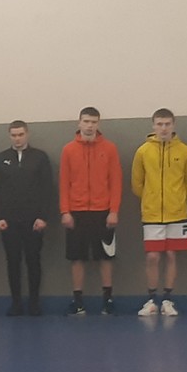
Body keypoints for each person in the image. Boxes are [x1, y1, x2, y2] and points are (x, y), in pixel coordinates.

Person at [131, 108, 187, 316]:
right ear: (153, 126)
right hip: (152, 213)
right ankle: (151, 299)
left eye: (167, 124)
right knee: (153, 256)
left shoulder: (185, 151)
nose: (164, 128)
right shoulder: (143, 151)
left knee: (171, 254)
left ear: (173, 125)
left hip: (177, 213)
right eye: (160, 124)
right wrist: (150, 199)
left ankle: (168, 299)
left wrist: (177, 199)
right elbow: (137, 183)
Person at [58, 107, 122, 315]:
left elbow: (116, 182)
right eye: (86, 121)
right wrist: (65, 211)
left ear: (98, 124)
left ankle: (108, 300)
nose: (89, 125)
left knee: (105, 257)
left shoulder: (110, 148)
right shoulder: (68, 150)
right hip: (76, 212)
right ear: (79, 123)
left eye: (93, 122)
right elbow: (64, 183)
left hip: (103, 211)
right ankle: (78, 301)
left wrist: (113, 211)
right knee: (77, 258)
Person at [0, 121, 54, 316]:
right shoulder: (1, 159)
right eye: (14, 135)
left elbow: (47, 189)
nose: (17, 139)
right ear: (10, 136)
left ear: (27, 134)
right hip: (9, 222)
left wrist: (43, 217)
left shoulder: (40, 157)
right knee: (13, 262)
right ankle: (16, 303)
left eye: (20, 135)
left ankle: (34, 303)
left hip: (34, 221)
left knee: (33, 261)